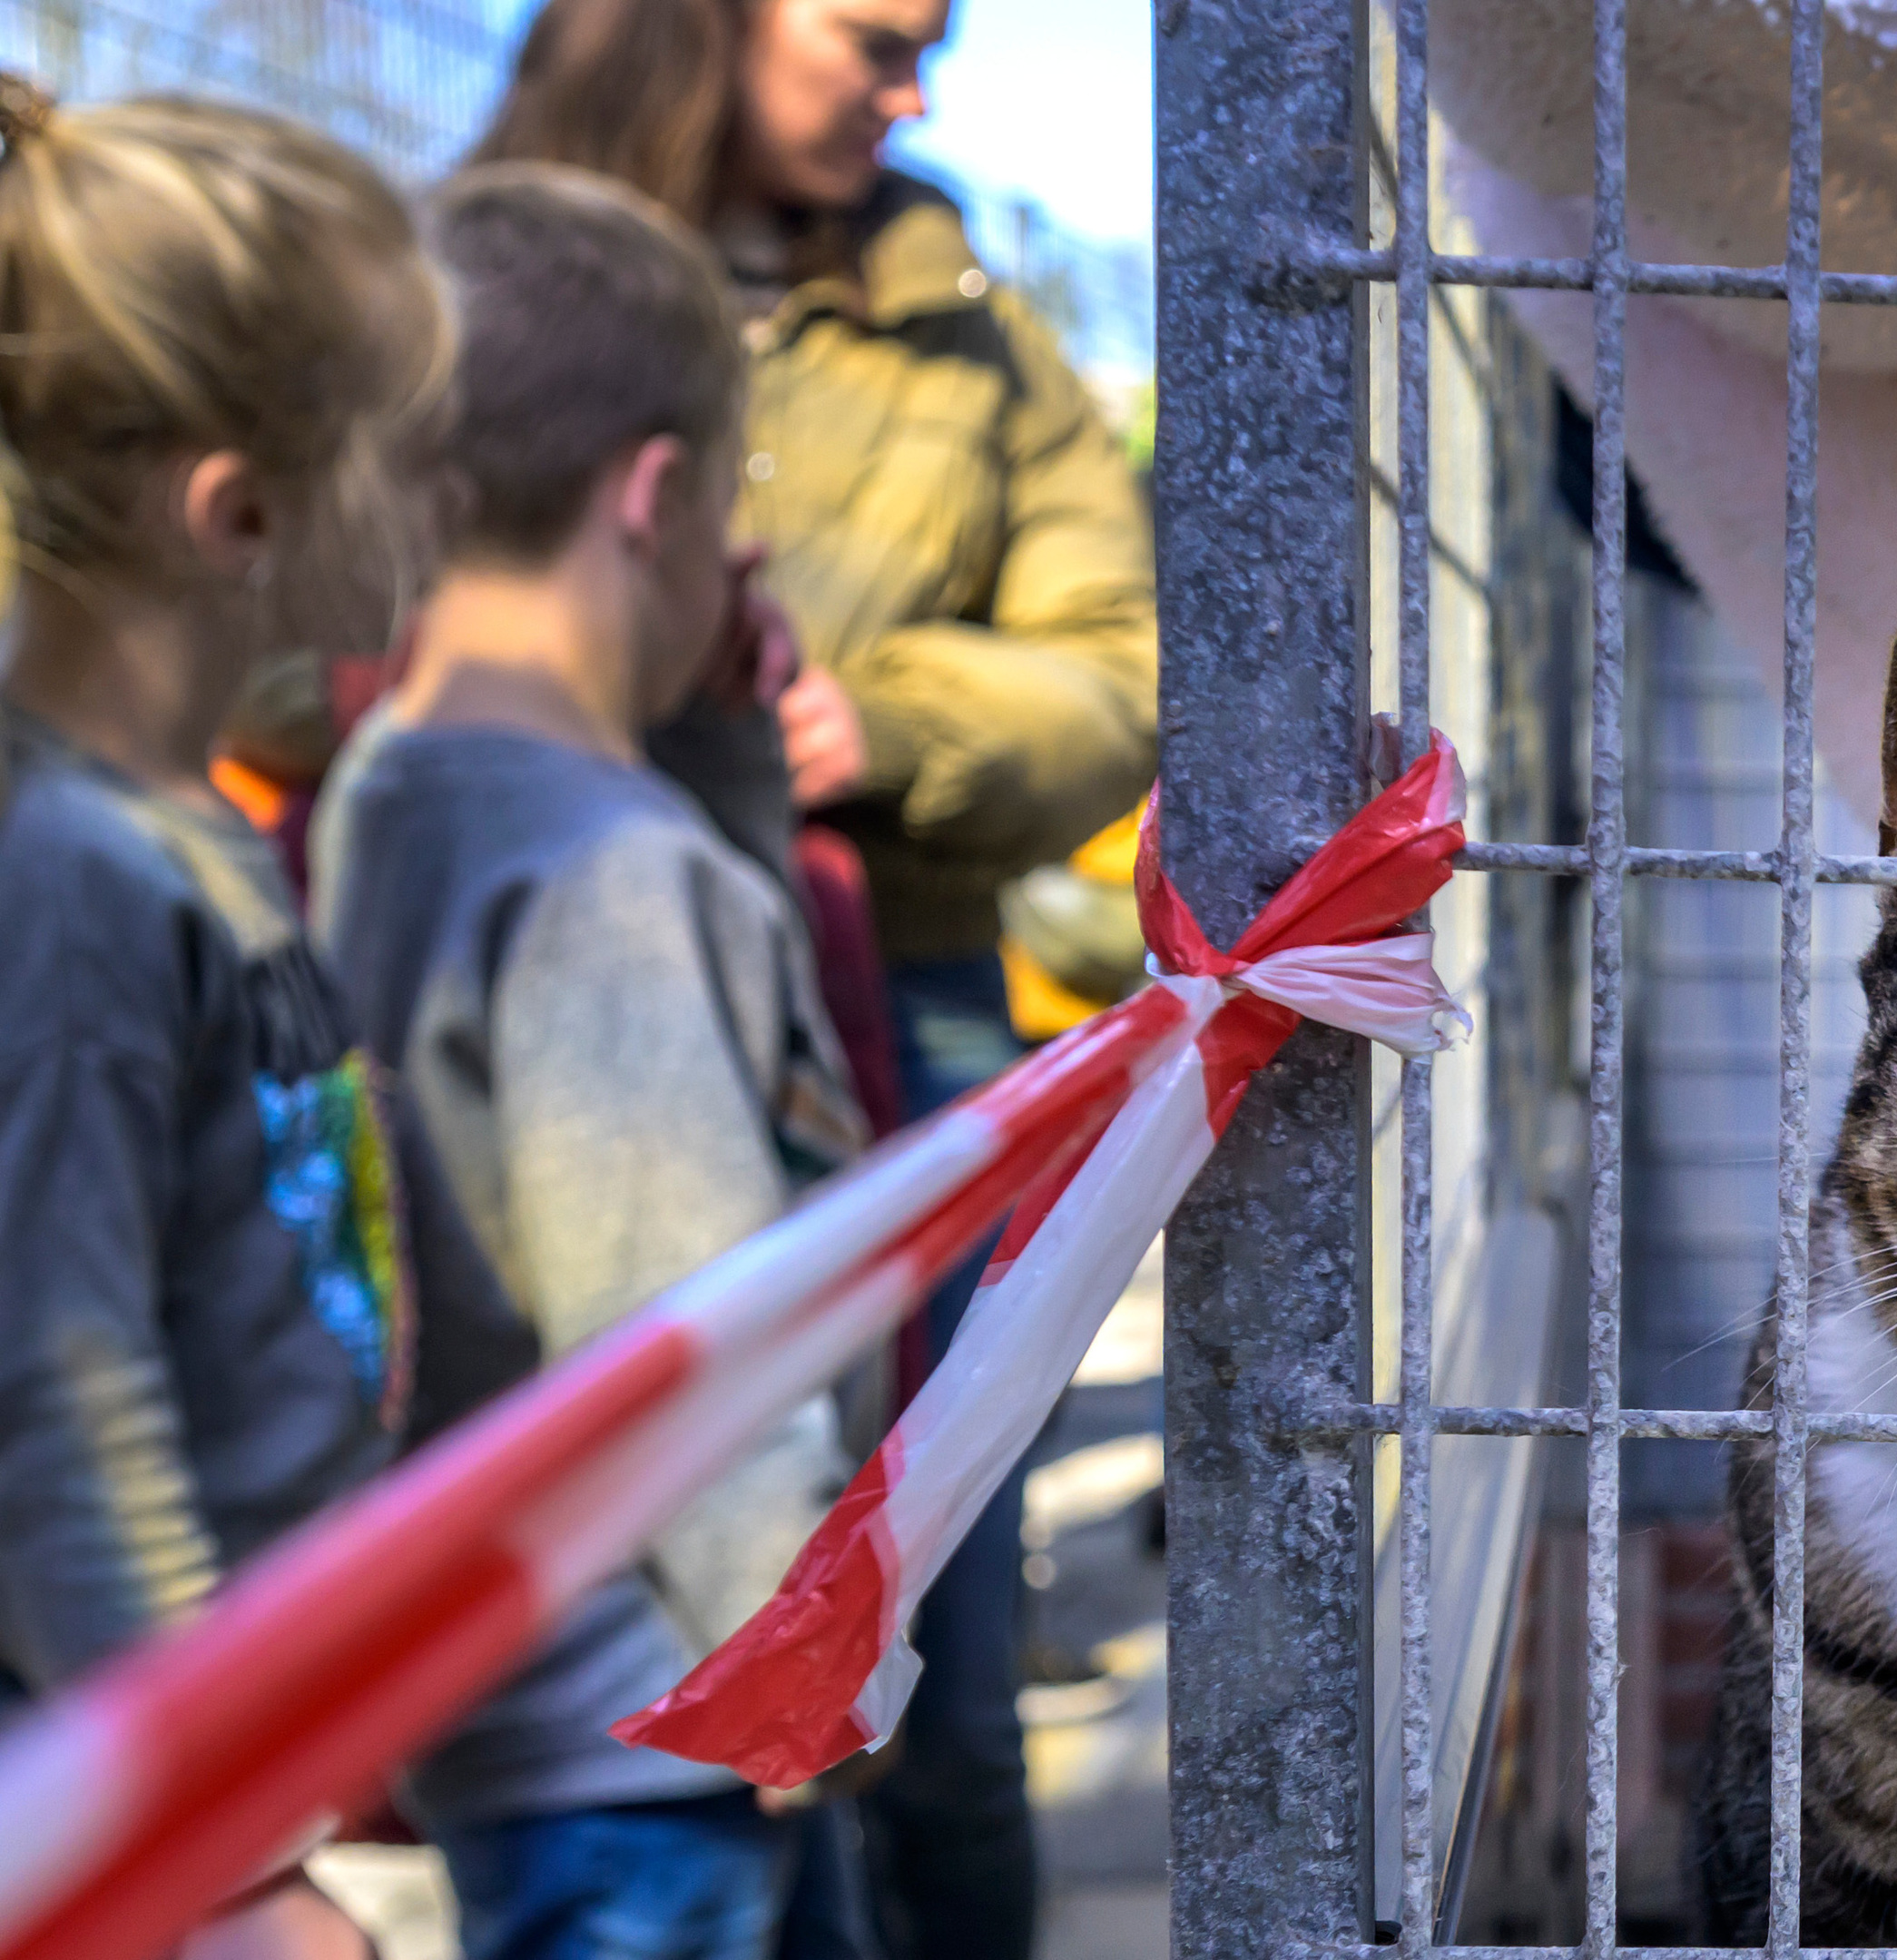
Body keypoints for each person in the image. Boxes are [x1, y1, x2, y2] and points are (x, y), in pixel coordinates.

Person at [474, 5, 1165, 1948]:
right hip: (553, 989)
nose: (916, 93)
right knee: (616, 1630)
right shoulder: (474, 276)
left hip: (900, 1006)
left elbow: (1116, 667)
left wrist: (893, 723)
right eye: (875, 38)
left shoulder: (971, 328)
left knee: (920, 1641)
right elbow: (305, 622)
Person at [309, 163, 888, 1960]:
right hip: (669, 1741)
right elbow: (677, 1317)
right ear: (658, 497)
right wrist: (787, 1665)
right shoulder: (620, 881)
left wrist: (717, 744)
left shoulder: (393, 790)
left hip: (532, 1719)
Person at [0, 77, 465, 1960]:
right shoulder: (73, 884)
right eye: (416, 453)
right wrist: (204, 1859)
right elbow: (59, 1392)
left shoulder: (189, 824)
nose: (452, 500)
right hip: (127, 1820)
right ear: (242, 508)